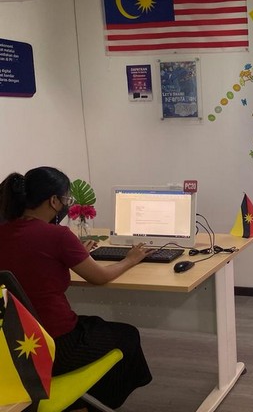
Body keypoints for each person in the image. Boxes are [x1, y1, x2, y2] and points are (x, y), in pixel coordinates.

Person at [0, 166, 153, 411]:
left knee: (94, 324)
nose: (66, 205)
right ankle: (86, 404)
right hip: (56, 347)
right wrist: (131, 259)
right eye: (66, 199)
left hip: (13, 346)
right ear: (53, 201)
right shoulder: (58, 236)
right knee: (127, 336)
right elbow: (100, 277)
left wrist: (77, 253)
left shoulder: (4, 232)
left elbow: (33, 264)